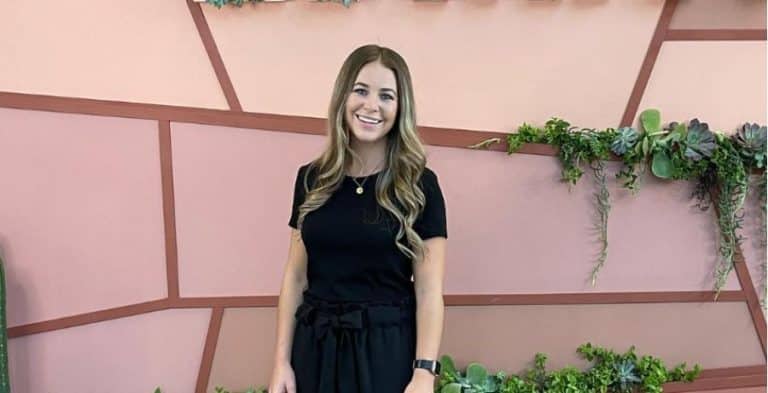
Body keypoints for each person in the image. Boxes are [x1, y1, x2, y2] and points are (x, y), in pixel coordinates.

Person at [268, 44, 448, 393]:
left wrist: (424, 373)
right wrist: (281, 362)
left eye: (386, 96)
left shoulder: (420, 185)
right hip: (315, 349)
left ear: (400, 107)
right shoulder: (311, 179)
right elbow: (295, 277)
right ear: (343, 97)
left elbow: (429, 290)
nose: (371, 106)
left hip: (385, 352)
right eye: (361, 90)